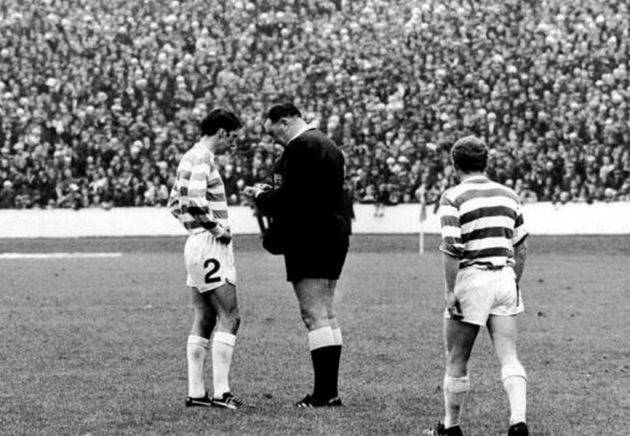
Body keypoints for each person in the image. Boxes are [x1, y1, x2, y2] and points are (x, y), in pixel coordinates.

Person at [245, 103, 350, 408]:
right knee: (327, 312)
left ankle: (325, 394)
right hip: (333, 233)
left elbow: (292, 201)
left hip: (310, 236)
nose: (274, 140)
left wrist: (261, 196)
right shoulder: (329, 145)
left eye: (273, 132)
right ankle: (329, 392)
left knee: (313, 313)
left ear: (285, 122)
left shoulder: (300, 147)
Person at [425, 136, 529, 436]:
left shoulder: (453, 196)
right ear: (487, 162)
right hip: (505, 277)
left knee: (457, 357)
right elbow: (521, 246)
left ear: (454, 164)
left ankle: (450, 426)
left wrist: (450, 290)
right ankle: (518, 420)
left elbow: (451, 247)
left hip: (471, 277)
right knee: (509, 354)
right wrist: (513, 281)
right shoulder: (509, 194)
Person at [167, 109, 245, 409]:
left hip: (195, 243)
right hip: (210, 244)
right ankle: (222, 393)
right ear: (222, 132)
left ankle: (197, 394)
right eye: (233, 137)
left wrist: (194, 228)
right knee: (230, 315)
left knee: (204, 316)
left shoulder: (189, 156)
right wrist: (217, 229)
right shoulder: (203, 158)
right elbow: (197, 201)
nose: (234, 144)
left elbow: (175, 203)